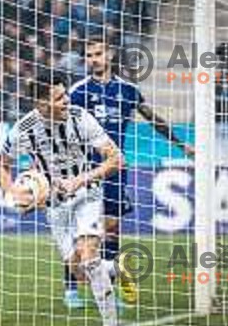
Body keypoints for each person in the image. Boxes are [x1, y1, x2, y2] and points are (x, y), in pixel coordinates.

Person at [0, 71, 124, 326]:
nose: (67, 100)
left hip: (86, 193)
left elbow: (116, 158)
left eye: (65, 94)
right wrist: (13, 192)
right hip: (54, 205)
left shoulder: (81, 117)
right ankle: (117, 268)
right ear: (42, 104)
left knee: (89, 257)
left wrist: (81, 179)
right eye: (59, 98)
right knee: (79, 271)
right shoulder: (23, 128)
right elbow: (2, 165)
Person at [67, 38, 195, 308]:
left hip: (114, 170)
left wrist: (181, 143)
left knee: (112, 229)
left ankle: (110, 289)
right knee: (82, 233)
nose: (94, 59)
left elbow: (153, 119)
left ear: (109, 55)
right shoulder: (78, 92)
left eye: (99, 53)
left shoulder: (128, 90)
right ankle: (71, 289)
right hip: (84, 172)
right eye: (89, 55)